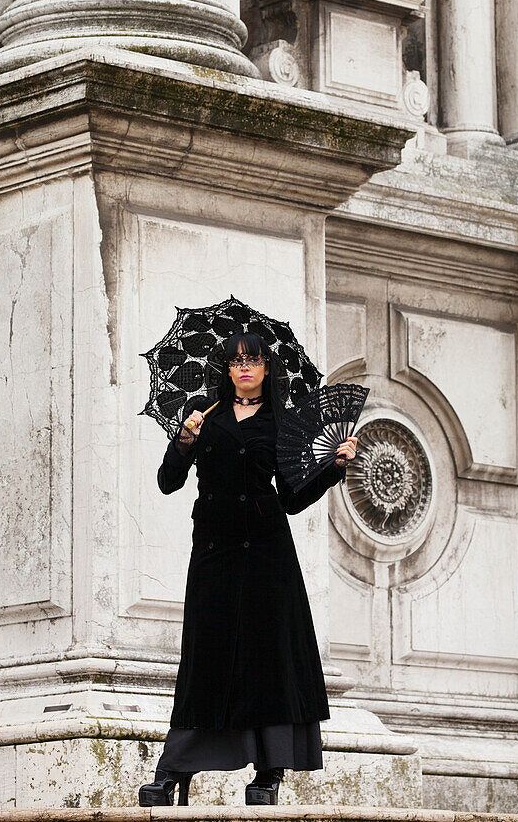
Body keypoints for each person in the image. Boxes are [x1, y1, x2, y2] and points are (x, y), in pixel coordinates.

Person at [137, 331, 358, 806]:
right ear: (226, 368)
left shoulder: (281, 424)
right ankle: (175, 767)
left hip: (265, 552)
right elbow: (167, 483)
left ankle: (269, 770)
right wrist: (183, 442)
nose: (244, 369)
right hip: (214, 553)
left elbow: (293, 500)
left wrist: (334, 468)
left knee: (267, 660)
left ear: (266, 369)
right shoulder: (206, 417)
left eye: (253, 360)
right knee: (205, 658)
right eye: (236, 361)